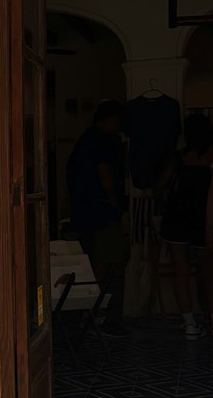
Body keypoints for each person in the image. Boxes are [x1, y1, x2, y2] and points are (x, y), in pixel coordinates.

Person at [159, 113, 213, 343]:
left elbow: (162, 183)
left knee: (180, 272)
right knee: (210, 273)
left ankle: (189, 325)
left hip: (176, 217)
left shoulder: (179, 157)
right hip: (203, 218)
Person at [67, 100, 128, 337]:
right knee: (102, 261)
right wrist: (113, 199)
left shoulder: (84, 141)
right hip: (101, 211)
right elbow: (104, 171)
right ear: (111, 120)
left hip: (84, 211)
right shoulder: (101, 142)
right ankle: (96, 314)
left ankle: (89, 312)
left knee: (92, 260)